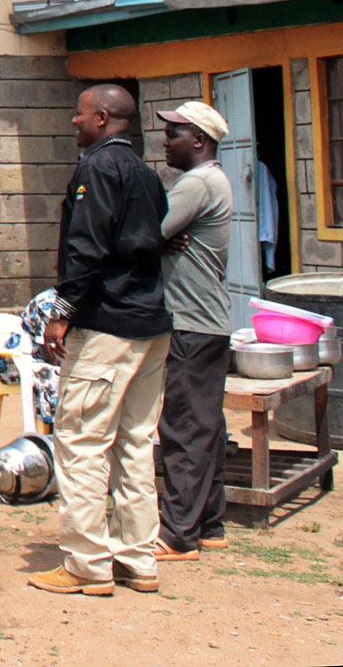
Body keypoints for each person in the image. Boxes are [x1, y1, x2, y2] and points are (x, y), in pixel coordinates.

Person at [29, 84, 172, 597]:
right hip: (151, 327)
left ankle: (87, 564)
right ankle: (139, 559)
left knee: (83, 442)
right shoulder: (148, 175)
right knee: (135, 444)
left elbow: (85, 249)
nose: (75, 121)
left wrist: (60, 313)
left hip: (108, 326)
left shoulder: (97, 169)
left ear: (104, 118)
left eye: (82, 114)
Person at [152, 100, 234, 559]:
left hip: (191, 323)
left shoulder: (196, 183)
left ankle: (177, 534)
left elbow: (143, 236)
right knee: (206, 425)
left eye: (175, 134)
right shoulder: (213, 181)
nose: (166, 141)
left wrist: (157, 237)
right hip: (210, 323)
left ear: (199, 141)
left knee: (183, 426)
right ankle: (209, 523)